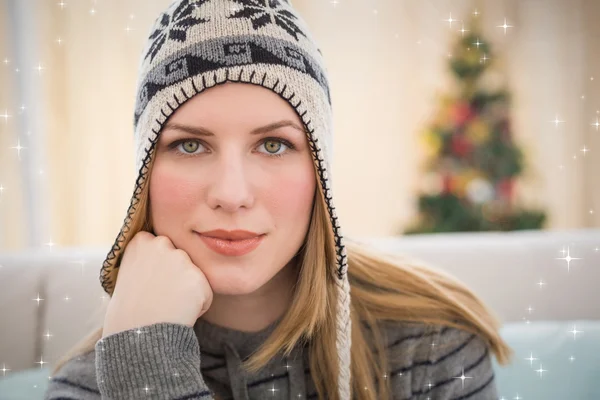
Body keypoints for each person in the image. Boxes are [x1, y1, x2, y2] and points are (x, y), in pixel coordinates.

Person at [44, 0, 513, 399]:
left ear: (319, 172)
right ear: (145, 172)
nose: (232, 194)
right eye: (190, 145)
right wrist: (145, 361)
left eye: (273, 145)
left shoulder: (428, 348)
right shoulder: (87, 389)